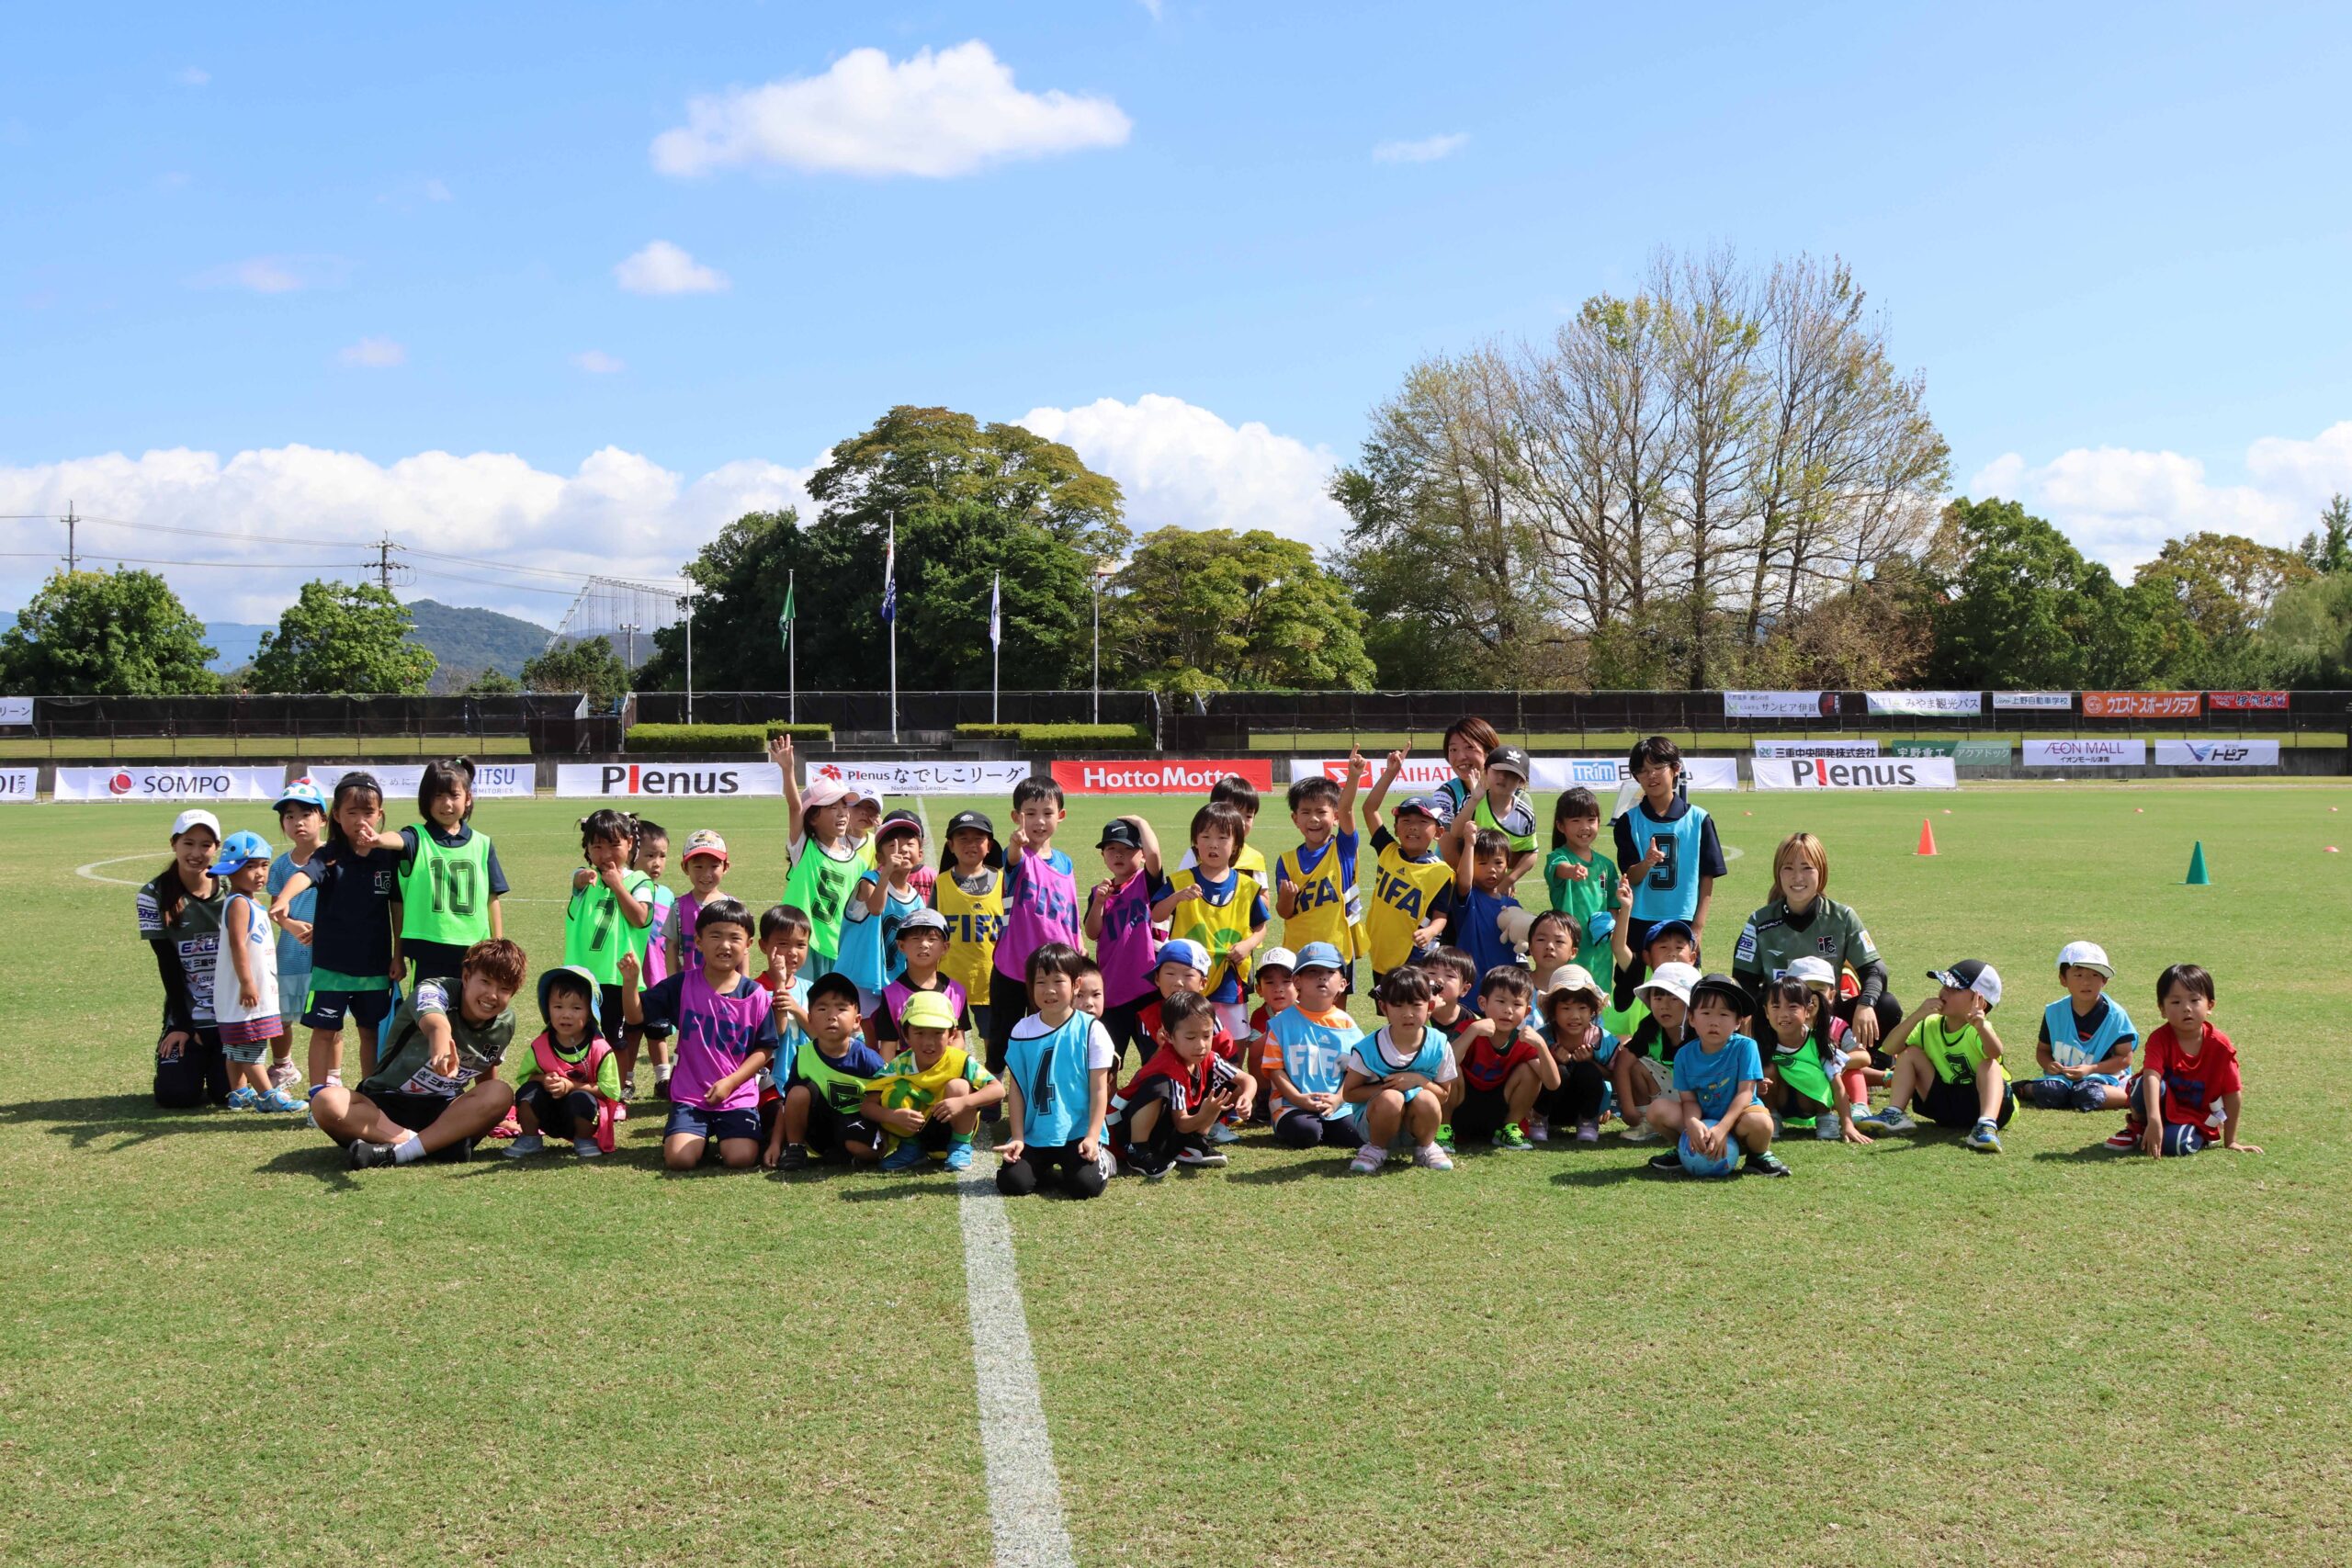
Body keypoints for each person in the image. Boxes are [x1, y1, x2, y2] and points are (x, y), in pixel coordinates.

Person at [312, 938, 526, 1168]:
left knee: (500, 1092)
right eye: (485, 982)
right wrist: (441, 1043)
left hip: (444, 1113)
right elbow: (435, 1022)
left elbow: (485, 1067)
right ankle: (436, 1146)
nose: (492, 995)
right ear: (466, 977)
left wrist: (495, 1114)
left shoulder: (505, 1022)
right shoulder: (433, 989)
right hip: (384, 1104)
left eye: (504, 989)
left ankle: (397, 1152)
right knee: (326, 1101)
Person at [620, 897, 778, 1171]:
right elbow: (636, 1017)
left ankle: (724, 1136)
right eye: (715, 936)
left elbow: (764, 1050)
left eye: (734, 938)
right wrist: (631, 983)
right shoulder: (682, 985)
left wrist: (730, 1083)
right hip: (692, 1096)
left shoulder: (756, 995)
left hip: (736, 1096)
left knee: (739, 1158)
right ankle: (693, 1136)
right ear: (699, 941)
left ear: (748, 944)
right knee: (680, 1159)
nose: (724, 945)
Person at [270, 772, 403, 1090]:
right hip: (330, 967)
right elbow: (305, 875)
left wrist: (398, 954)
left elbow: (397, 909)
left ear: (380, 815)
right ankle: (319, 1096)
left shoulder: (389, 856)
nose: (360, 820)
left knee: (370, 1031)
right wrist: (285, 898)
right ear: (336, 817)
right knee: (324, 1031)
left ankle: (370, 1093)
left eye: (368, 812)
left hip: (374, 966)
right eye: (351, 813)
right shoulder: (328, 855)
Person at [1730, 831, 1899, 1062]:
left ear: (1822, 872)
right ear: (1778, 874)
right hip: (1781, 1018)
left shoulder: (1842, 917)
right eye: (1788, 868)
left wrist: (1865, 1003)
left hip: (1831, 1017)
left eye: (1807, 868)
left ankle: (1866, 1063)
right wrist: (1755, 1015)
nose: (1797, 877)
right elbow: (1743, 979)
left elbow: (1875, 970)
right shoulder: (1759, 921)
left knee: (1886, 1005)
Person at [997, 942, 1118, 1198]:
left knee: (1085, 1186)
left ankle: (1104, 1159)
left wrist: (1093, 1137)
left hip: (1078, 1133)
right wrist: (1018, 1137)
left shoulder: (1091, 1030)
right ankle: (1044, 1168)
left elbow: (1099, 1090)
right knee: (1012, 1183)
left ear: (1076, 985)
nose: (1049, 990)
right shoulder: (1022, 1030)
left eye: (1058, 981)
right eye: (1040, 982)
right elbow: (1017, 1090)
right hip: (1036, 1133)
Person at [1856, 961, 2015, 1152]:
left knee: (1988, 1064)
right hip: (1946, 1105)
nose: (1944, 992)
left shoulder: (1979, 1029)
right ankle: (1895, 1114)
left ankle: (1986, 1125)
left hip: (1991, 1106)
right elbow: (1890, 1048)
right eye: (1944, 985)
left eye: (1954, 989)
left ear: (1980, 1000)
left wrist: (1981, 1026)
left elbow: (1995, 1052)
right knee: (1909, 1054)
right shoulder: (1930, 1023)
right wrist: (1917, 1015)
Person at [1642, 972, 1787, 1178]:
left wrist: (1722, 1128)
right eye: (1706, 1013)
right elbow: (1688, 1100)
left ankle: (1758, 1157)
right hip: (1703, 1120)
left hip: (1738, 1122)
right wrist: (1692, 1123)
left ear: (1738, 1021)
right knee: (1657, 1109)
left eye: (1724, 1014)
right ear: (1692, 1018)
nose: (1714, 1022)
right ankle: (1684, 1148)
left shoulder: (1746, 1047)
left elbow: (1745, 1094)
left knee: (1762, 1122)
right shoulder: (1684, 1055)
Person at [989, 776, 1082, 1089]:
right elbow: (1012, 861)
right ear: (1017, 817)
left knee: (1049, 1030)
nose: (1039, 821)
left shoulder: (1066, 862)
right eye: (1030, 813)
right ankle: (992, 1089)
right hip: (1014, 966)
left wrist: (1077, 946)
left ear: (1061, 816)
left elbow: (1070, 911)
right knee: (1004, 1032)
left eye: (1047, 812)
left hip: (1055, 968)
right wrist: (1015, 845)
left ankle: (1039, 1089)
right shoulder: (1016, 855)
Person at [1152, 801, 1271, 1041]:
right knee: (1186, 1037)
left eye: (1223, 837)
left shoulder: (1247, 887)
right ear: (1195, 841)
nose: (1213, 844)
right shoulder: (1180, 880)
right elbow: (1156, 915)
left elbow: (1261, 927)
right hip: (1187, 978)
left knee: (1231, 1043)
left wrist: (1247, 945)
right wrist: (1176, 897)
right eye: (1205, 836)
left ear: (1237, 843)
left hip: (1229, 977)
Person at [2116, 964, 2261, 1157]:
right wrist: (2154, 1119)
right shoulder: (2159, 1039)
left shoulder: (2220, 1046)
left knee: (2174, 1145)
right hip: (2161, 1108)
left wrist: (2231, 1140)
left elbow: (2232, 1092)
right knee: (2141, 1085)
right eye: (2175, 1002)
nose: (2186, 1008)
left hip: (2195, 1117)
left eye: (2194, 1000)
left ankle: (2178, 1135)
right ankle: (2139, 1129)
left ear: (2210, 1005)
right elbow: (2152, 1076)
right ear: (2162, 1009)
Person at [564, 809, 659, 1098]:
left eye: (614, 845)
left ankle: (615, 1094)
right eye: (597, 846)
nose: (606, 854)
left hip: (617, 978)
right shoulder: (584, 880)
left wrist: (617, 884)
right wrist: (583, 876)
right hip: (581, 976)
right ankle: (583, 1087)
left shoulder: (640, 881)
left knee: (616, 1039)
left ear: (630, 844)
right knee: (576, 1036)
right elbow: (577, 879)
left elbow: (640, 917)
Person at [394, 757, 509, 991]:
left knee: (469, 1013)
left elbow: (492, 898)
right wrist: (377, 839)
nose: (446, 804)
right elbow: (397, 840)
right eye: (438, 796)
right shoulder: (415, 837)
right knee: (429, 1012)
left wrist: (497, 944)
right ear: (426, 799)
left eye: (453, 796)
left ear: (468, 799)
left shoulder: (483, 844)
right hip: (428, 947)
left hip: (473, 948)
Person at [209, 829, 301, 1112]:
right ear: (232, 871)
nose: (259, 873)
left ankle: (238, 1092)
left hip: (255, 989)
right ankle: (268, 1096)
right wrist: (247, 983)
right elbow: (237, 945)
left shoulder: (252, 901)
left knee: (237, 1046)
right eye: (250, 867)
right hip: (245, 992)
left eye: (263, 865)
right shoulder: (238, 903)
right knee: (251, 1045)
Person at [142, 808, 229, 1109]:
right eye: (188, 843)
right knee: (175, 1095)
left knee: (228, 1096)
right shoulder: (153, 894)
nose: (196, 852)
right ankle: (182, 1061)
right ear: (173, 843)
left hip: (230, 1016)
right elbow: (166, 963)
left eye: (206, 844)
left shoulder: (231, 889)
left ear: (216, 848)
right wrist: (181, 1023)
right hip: (188, 1013)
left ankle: (215, 1063)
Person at [1107, 990, 1242, 1179]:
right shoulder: (1170, 1065)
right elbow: (1182, 1123)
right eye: (1190, 1037)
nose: (1201, 1044)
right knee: (1158, 1085)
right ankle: (1137, 1151)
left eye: (1206, 1035)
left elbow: (1247, 1080)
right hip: (1123, 1130)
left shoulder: (1206, 1057)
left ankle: (1189, 1143)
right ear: (1169, 1036)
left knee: (1230, 1082)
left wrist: (1247, 1099)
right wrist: (1206, 1114)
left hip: (1171, 1128)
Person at [865, 989, 1004, 1174]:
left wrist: (963, 1102)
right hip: (915, 1129)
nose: (928, 1042)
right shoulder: (899, 1065)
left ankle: (960, 1146)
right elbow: (868, 1105)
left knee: (959, 1086)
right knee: (895, 1089)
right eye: (919, 1033)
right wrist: (891, 1116)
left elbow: (998, 1090)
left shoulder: (960, 1060)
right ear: (905, 1035)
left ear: (952, 1034)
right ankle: (911, 1148)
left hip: (952, 1125)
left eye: (938, 1033)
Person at [1611, 735, 1725, 954]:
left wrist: (1698, 927)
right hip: (1639, 917)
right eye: (1642, 770)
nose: (1650, 775)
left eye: (1657, 767)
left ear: (1675, 769)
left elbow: (1707, 876)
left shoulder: (1699, 819)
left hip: (1683, 917)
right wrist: (1647, 863)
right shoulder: (1628, 821)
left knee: (1683, 984)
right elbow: (1630, 876)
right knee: (1630, 986)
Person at [1341, 967, 1458, 1174]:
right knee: (1392, 1099)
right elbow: (1349, 1093)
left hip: (1417, 1124)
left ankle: (1426, 1147)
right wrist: (1388, 1088)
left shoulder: (1439, 1044)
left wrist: (1417, 1081)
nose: (1408, 1014)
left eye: (1416, 1005)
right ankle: (1375, 1149)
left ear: (1430, 1006)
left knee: (1427, 1098)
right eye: (1398, 1005)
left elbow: (1444, 1095)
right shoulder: (1368, 1047)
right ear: (1383, 1007)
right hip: (1376, 1122)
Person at [767, 970, 888, 1171]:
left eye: (841, 1008)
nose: (832, 1016)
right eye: (822, 1009)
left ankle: (849, 1155)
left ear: (857, 1020)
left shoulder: (867, 1058)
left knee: (858, 1146)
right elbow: (788, 1104)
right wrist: (775, 1144)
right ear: (810, 1019)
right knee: (797, 1092)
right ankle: (795, 1148)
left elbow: (888, 1095)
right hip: (819, 1131)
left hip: (857, 1125)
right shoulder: (804, 1055)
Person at [1260, 942, 1366, 1150]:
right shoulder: (1282, 1023)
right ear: (1297, 981)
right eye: (1313, 971)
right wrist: (1298, 1099)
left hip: (1337, 1105)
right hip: (1290, 1105)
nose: (1322, 977)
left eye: (1330, 972)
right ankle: (1305, 1126)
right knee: (1305, 1132)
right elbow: (1275, 1070)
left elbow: (1356, 1071)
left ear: (1343, 983)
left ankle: (1329, 1126)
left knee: (1358, 1135)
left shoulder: (1348, 1025)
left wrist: (1338, 1099)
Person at [507, 964, 621, 1158]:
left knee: (581, 1099)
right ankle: (530, 1138)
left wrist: (572, 1086)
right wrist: (544, 1080)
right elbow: (525, 1078)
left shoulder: (600, 1048)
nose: (566, 1014)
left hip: (584, 1116)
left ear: (591, 1011)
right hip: (548, 1113)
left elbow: (610, 1090)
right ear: (547, 1008)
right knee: (527, 1092)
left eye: (576, 1008)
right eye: (558, 1007)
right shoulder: (540, 1045)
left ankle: (584, 1140)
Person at [1361, 759, 1454, 986]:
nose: (1413, 826)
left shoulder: (1440, 872)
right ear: (1396, 828)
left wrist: (1431, 931)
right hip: (1381, 950)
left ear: (1439, 832)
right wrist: (1390, 773)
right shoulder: (1388, 850)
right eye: (1406, 820)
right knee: (1388, 1010)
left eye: (1423, 821)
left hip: (1413, 955)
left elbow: (1441, 917)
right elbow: (1369, 809)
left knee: (1410, 1008)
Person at [1273, 755, 1362, 989]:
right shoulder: (1286, 861)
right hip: (1298, 952)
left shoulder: (1343, 848)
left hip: (1337, 949)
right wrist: (1287, 897)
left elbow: (1347, 807)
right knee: (1300, 1009)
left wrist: (1353, 776)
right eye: (1305, 812)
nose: (1313, 819)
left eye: (1321, 812)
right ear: (1295, 818)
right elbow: (1284, 912)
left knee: (1335, 1013)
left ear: (1336, 817)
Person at [1448, 965, 1559, 1153]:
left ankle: (1509, 1129)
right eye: (1500, 1001)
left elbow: (1553, 1083)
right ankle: (1443, 1130)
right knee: (1452, 1069)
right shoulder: (1468, 1028)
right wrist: (1473, 1032)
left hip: (1498, 1110)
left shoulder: (1524, 1041)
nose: (1508, 1010)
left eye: (1517, 1005)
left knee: (1530, 1072)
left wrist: (1541, 1046)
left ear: (1527, 1011)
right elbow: (1445, 1065)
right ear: (1483, 1003)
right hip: (1461, 1108)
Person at [2018, 941, 2138, 1113]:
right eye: (2078, 974)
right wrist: (2049, 1064)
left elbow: (2125, 1058)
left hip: (2106, 1078)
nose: (2086, 982)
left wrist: (2091, 1069)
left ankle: (2132, 1095)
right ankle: (2024, 1088)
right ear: (2063, 979)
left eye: (2094, 975)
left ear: (2104, 980)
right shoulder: (2054, 1012)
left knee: (2088, 1094)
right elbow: (2042, 1050)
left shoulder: (2116, 1016)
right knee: (2050, 1092)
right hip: (2063, 1079)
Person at [1084, 814, 1166, 1067]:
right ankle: (1107, 1106)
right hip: (1112, 990)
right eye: (1112, 849)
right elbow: (1092, 932)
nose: (1118, 855)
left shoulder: (1145, 882)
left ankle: (1156, 1106)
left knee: (1154, 1058)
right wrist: (1098, 902)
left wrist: (1143, 823)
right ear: (1103, 855)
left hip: (1147, 990)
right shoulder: (1099, 891)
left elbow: (1155, 857)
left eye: (1127, 849)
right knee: (1106, 1061)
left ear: (1141, 853)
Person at [265, 780, 328, 1098]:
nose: (298, 822)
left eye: (306, 814)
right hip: (289, 955)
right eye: (289, 816)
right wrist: (290, 925)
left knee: (327, 1022)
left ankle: (329, 1080)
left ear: (324, 819)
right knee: (281, 1019)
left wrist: (325, 929)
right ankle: (283, 1065)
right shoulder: (279, 866)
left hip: (326, 959)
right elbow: (275, 909)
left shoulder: (335, 859)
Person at [836, 809, 928, 1009]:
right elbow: (876, 908)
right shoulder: (869, 880)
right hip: (859, 980)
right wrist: (886, 873)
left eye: (909, 844)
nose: (902, 849)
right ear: (880, 856)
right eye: (892, 844)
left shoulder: (917, 899)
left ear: (920, 855)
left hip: (893, 983)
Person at [1755, 975, 1863, 1144]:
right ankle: (1771, 1117)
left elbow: (1838, 1087)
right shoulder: (1761, 1044)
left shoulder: (1819, 1043)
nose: (1783, 1014)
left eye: (1792, 1007)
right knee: (1766, 1070)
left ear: (1808, 1010)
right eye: (1776, 1007)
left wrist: (1848, 1124)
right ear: (1766, 1012)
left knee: (1817, 1074)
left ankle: (1825, 1118)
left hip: (1811, 1103)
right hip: (1780, 1100)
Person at [776, 767, 864, 975]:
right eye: (832, 807)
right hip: (802, 945)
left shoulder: (858, 862)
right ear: (813, 818)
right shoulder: (805, 848)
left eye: (844, 806)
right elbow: (794, 807)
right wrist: (788, 769)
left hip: (839, 948)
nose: (842, 812)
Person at [1433, 718, 1537, 887]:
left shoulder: (1518, 797)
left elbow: (1525, 853)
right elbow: (1450, 853)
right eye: (1453, 749)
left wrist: (1501, 884)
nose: (1460, 756)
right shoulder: (1445, 795)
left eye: (1469, 747)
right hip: (1452, 885)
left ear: (1489, 753)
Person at [933, 808, 1005, 1046]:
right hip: (950, 979)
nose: (970, 844)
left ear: (990, 846)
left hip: (991, 979)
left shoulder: (1004, 881)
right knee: (953, 1041)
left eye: (978, 838)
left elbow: (1011, 926)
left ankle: (994, 1083)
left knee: (993, 1041)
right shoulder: (941, 883)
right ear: (950, 845)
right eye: (962, 838)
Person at [1613, 961, 1699, 1142]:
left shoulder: (1701, 1032)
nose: (1664, 1006)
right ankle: (1647, 1121)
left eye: (1674, 998)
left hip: (1701, 1098)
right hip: (1668, 1096)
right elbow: (1623, 1063)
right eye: (1658, 998)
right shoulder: (1649, 1027)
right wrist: (1628, 1109)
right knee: (1637, 1065)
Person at [1544, 787, 1621, 981]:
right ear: (1561, 826)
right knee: (1568, 998)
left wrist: (1609, 924)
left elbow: (1613, 903)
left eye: (1591, 820)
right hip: (1567, 949)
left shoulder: (1606, 865)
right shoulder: (1559, 857)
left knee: (1598, 1001)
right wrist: (1571, 871)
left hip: (1599, 950)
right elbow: (1559, 868)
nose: (1584, 826)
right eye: (1576, 820)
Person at [1532, 964, 1612, 1144]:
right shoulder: (1543, 1037)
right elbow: (1529, 1070)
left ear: (1592, 1011)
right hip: (1550, 1109)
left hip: (1584, 1109)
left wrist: (1592, 1062)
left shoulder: (1601, 1038)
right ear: (1553, 1011)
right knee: (1559, 1071)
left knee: (1587, 1070)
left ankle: (1587, 1123)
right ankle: (1538, 1119)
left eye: (1582, 1008)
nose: (1575, 1016)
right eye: (1566, 1008)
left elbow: (1616, 1073)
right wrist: (1549, 1059)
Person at [1446, 826, 1522, 986]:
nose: (1492, 869)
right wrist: (1469, 844)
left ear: (1507, 864)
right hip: (1471, 988)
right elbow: (1464, 882)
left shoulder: (1513, 905)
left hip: (1503, 989)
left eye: (1498, 862)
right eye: (1482, 863)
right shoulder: (1469, 897)